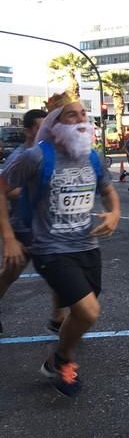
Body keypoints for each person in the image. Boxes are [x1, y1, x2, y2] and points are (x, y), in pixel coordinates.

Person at [0, 93, 120, 397]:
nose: (81, 119)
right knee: (89, 311)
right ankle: (63, 359)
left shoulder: (91, 155)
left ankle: (59, 358)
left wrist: (115, 213)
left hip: (87, 246)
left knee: (81, 314)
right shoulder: (35, 156)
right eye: (72, 115)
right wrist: (10, 239)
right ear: (55, 123)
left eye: (83, 114)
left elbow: (107, 190)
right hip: (49, 248)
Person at [0, 109, 48, 333]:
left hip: (47, 227)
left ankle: (59, 320)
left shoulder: (49, 153)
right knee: (10, 273)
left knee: (59, 269)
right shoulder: (21, 156)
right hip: (23, 226)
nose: (45, 132)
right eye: (40, 127)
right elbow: (5, 190)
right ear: (28, 130)